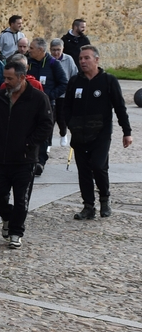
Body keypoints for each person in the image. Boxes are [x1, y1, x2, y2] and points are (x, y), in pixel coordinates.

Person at [0, 62, 53, 249]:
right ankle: (7, 214)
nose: (5, 82)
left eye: (9, 78)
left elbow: (46, 125)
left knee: (21, 198)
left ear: (22, 77)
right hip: (0, 157)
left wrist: (30, 143)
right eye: (4, 78)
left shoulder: (38, 98)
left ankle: (16, 232)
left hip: (25, 159)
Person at [64, 46, 133, 220]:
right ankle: (88, 206)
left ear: (96, 59)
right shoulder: (75, 81)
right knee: (83, 170)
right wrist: (68, 124)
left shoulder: (108, 80)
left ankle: (104, 198)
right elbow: (67, 107)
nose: (82, 61)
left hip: (101, 132)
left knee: (98, 165)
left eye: (86, 58)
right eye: (80, 59)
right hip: (79, 132)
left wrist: (127, 131)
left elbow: (120, 107)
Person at [26, 38, 67, 175]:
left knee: (44, 133)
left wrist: (49, 95)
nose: (29, 50)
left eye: (32, 48)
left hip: (47, 105)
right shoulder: (27, 62)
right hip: (28, 104)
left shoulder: (53, 64)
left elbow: (63, 83)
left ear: (40, 50)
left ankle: (40, 162)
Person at [50, 38, 79, 147]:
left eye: (58, 50)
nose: (56, 53)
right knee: (50, 118)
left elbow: (74, 74)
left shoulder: (68, 59)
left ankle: (63, 134)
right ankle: (49, 140)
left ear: (62, 49)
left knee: (62, 117)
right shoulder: (49, 60)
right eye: (53, 50)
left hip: (64, 93)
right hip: (52, 92)